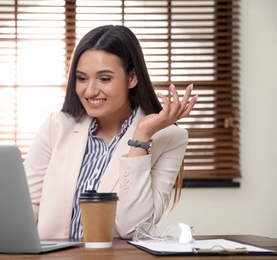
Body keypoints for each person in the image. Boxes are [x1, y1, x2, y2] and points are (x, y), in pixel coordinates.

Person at [24, 25, 197, 240]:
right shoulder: (55, 126)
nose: (90, 91)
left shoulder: (170, 138)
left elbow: (133, 229)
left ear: (132, 78)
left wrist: (141, 138)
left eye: (104, 79)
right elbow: (25, 207)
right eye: (82, 78)